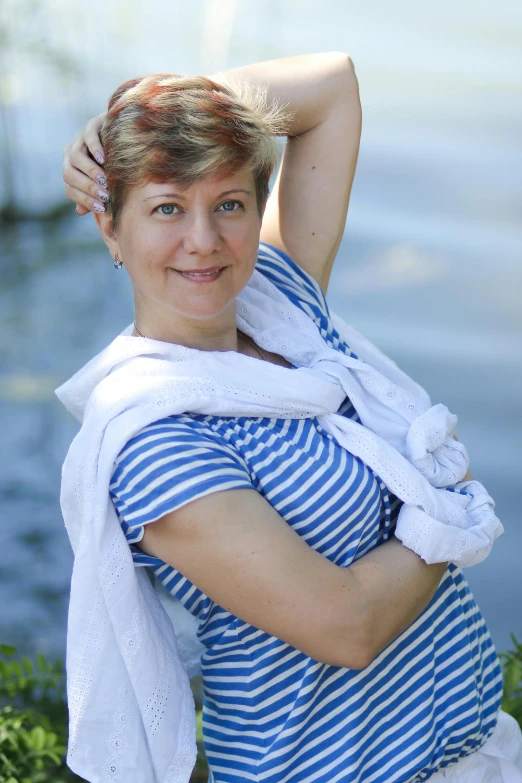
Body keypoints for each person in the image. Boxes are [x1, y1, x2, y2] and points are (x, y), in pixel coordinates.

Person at [59, 54, 522, 782]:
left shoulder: (279, 299)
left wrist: (135, 114)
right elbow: (348, 625)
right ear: (110, 227)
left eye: (230, 203)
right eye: (166, 207)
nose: (205, 240)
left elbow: (332, 89)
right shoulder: (154, 440)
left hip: (469, 755)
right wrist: (448, 510)